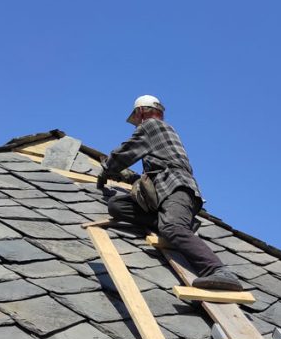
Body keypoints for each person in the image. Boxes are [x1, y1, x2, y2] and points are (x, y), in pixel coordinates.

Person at [96, 95, 244, 291]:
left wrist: (106, 170)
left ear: (140, 112)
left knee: (172, 227)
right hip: (161, 194)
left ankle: (219, 271)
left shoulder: (151, 126)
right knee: (117, 206)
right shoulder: (160, 136)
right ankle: (173, 222)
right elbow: (151, 174)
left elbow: (126, 152)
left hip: (176, 187)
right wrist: (127, 177)